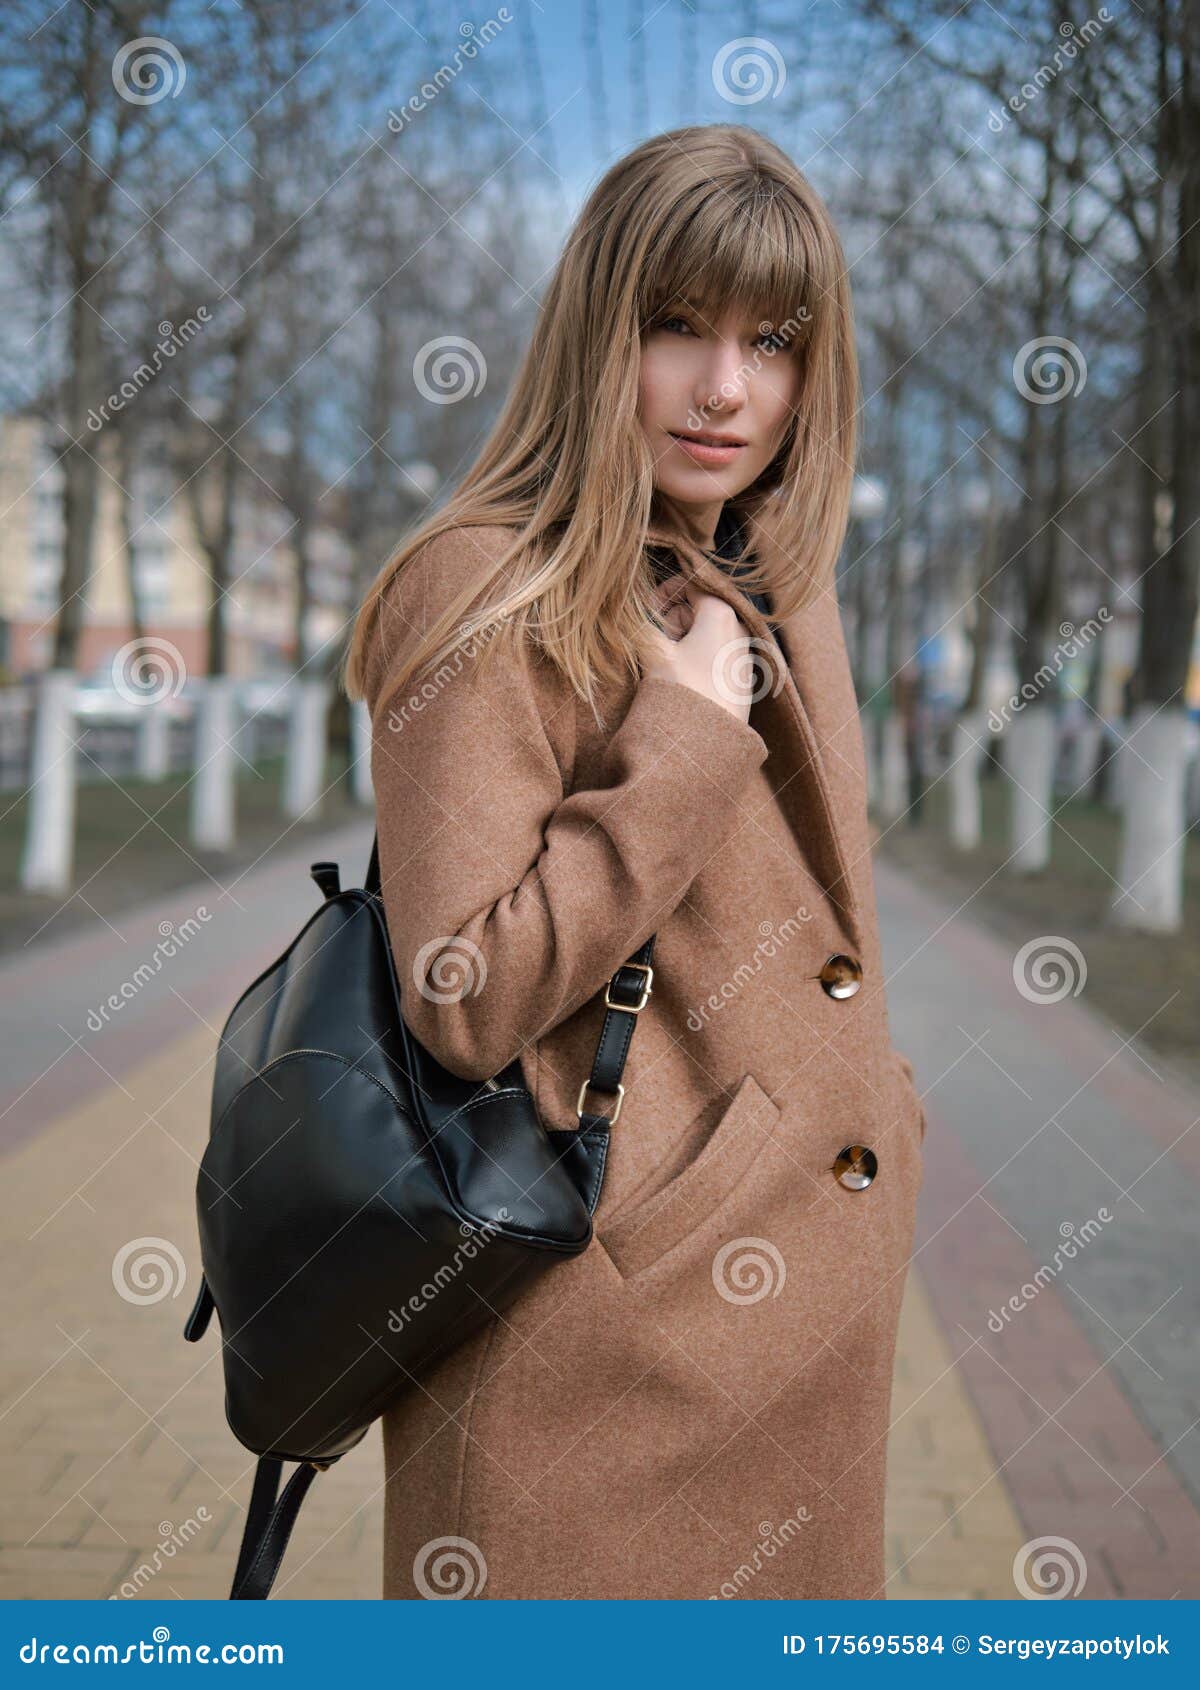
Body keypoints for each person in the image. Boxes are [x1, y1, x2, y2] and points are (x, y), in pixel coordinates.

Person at [342, 123, 926, 1602]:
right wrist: (673, 733)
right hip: (603, 1351)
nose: (728, 387)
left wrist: (882, 1108)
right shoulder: (483, 582)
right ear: (604, 333)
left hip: (803, 1316)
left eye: (773, 342)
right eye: (679, 328)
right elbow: (461, 996)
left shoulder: (780, 582)